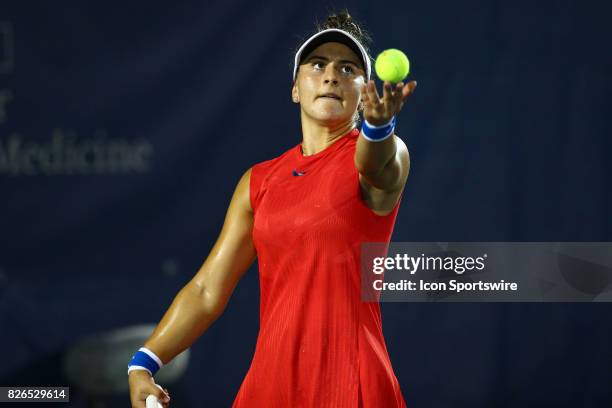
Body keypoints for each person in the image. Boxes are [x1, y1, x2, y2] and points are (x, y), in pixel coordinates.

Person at [128, 9, 417, 408]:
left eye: (347, 68)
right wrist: (143, 364)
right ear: (296, 88)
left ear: (363, 91)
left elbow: (376, 165)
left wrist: (379, 128)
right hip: (271, 384)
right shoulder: (258, 182)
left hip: (351, 382)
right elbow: (207, 289)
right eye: (318, 65)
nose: (332, 75)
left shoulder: (384, 152)